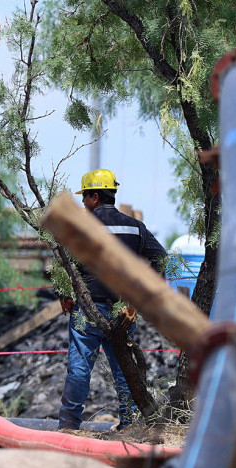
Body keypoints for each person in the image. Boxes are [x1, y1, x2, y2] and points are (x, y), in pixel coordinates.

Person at [57, 168, 167, 430]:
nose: (83, 203)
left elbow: (62, 264)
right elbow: (162, 259)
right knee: (124, 370)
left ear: (95, 197)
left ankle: (69, 426)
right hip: (123, 312)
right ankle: (129, 425)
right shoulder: (134, 227)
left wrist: (64, 295)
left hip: (88, 309)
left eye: (85, 197)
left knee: (80, 370)